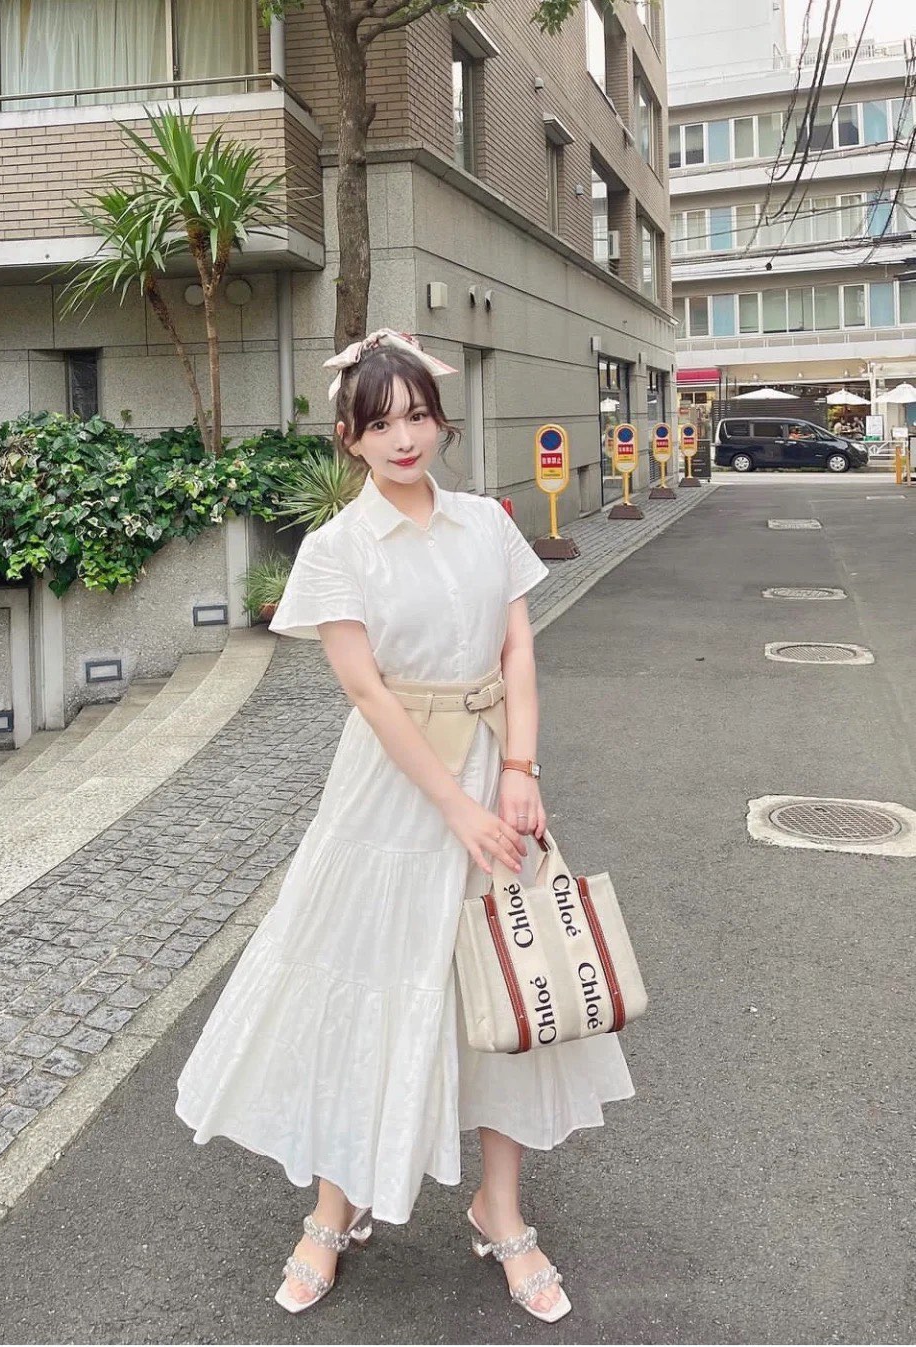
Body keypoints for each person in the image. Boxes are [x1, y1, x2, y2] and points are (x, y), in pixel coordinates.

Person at [174, 329, 634, 1323]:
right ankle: (333, 1208)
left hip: (496, 773)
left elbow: (517, 649)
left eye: (419, 415)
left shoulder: (484, 523)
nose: (405, 438)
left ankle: (500, 1209)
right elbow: (370, 696)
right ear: (349, 436)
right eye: (381, 423)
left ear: (441, 421)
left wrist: (517, 772)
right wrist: (457, 804)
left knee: (512, 978)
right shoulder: (338, 550)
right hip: (393, 791)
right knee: (366, 978)